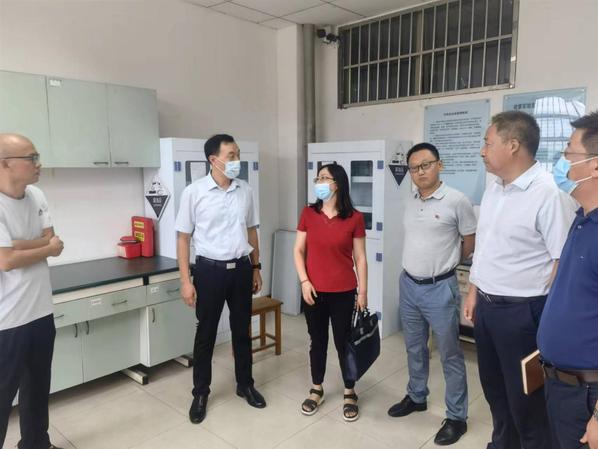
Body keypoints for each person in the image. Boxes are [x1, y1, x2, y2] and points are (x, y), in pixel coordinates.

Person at [463, 111, 574, 449]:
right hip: (487, 307)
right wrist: (473, 291)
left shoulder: (549, 193)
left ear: (512, 145)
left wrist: (549, 322)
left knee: (527, 402)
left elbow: (562, 262)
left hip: (523, 314)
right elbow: (485, 247)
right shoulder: (495, 188)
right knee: (495, 392)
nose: (482, 150)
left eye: (487, 142)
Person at [387, 143, 476, 445]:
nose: (420, 172)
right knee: (414, 347)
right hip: (409, 284)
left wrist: (447, 266)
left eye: (425, 165)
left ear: (440, 164)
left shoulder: (457, 200)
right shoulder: (410, 200)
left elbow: (469, 242)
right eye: (414, 168)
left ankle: (457, 416)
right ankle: (416, 396)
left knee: (449, 353)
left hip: (440, 288)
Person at [175, 134, 265, 425]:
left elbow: (251, 230)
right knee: (206, 335)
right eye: (231, 155)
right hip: (209, 271)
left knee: (242, 331)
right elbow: (183, 238)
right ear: (213, 160)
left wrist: (256, 267)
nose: (237, 160)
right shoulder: (194, 192)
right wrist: (186, 281)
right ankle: (200, 393)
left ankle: (245, 384)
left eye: (238, 154)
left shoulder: (245, 190)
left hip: (241, 269)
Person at [537, 111, 598, 449]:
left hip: (588, 395)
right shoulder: (583, 218)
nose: (561, 162)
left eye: (568, 152)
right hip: (563, 385)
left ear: (594, 165)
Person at [0, 134, 65, 449]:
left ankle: (37, 444)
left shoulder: (36, 194)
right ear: (5, 164)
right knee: (2, 396)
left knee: (38, 388)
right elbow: (7, 261)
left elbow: (55, 240)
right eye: (31, 158)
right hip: (7, 320)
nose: (39, 164)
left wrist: (18, 245)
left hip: (41, 312)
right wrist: (42, 247)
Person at [293, 163, 367, 422]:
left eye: (324, 178)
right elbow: (298, 250)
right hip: (313, 290)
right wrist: (304, 281)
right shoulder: (308, 213)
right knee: (317, 341)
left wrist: (363, 292)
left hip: (344, 291)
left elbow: (360, 258)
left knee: (344, 342)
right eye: (318, 178)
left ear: (337, 183)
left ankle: (349, 391)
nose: (319, 182)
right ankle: (317, 389)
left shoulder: (354, 217)